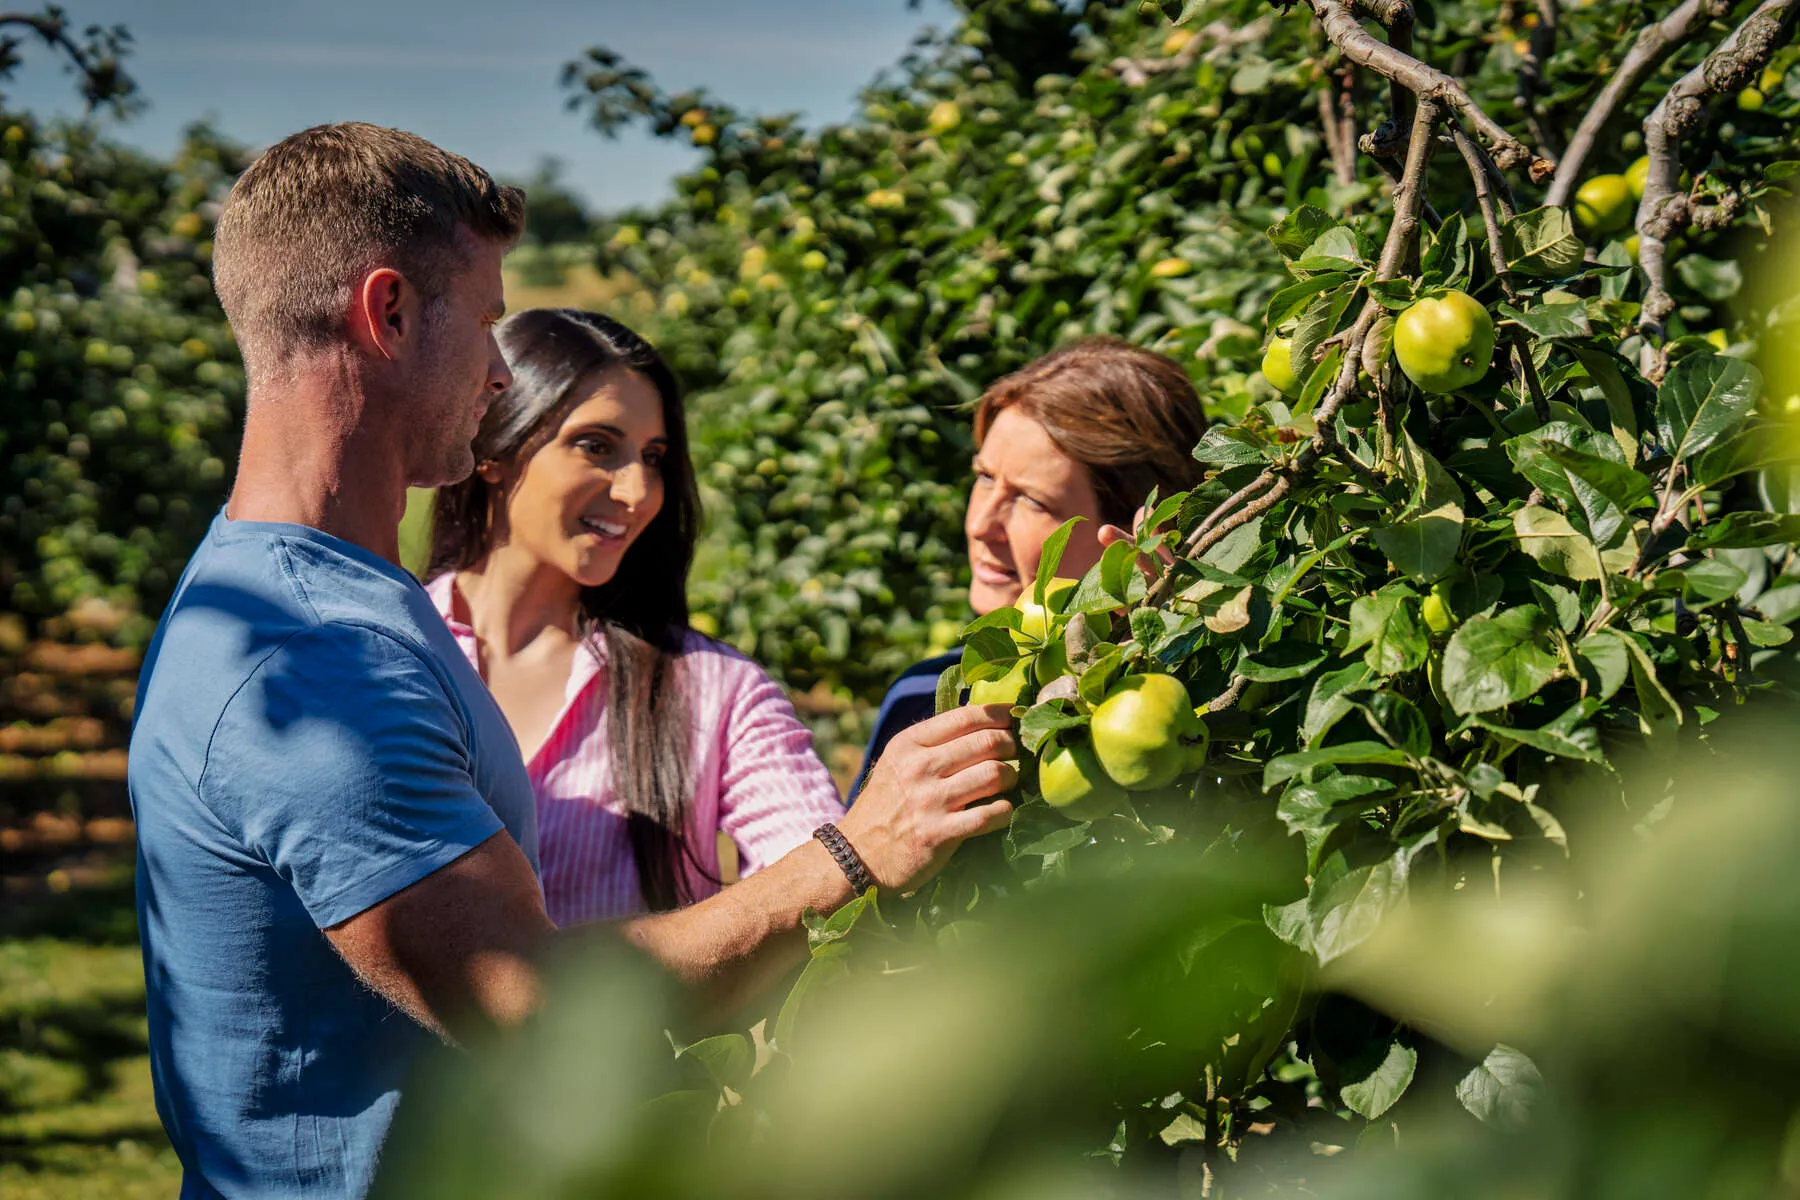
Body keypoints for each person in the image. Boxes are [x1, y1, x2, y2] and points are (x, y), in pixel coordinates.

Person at [127, 122, 1016, 1200]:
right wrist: (856, 849)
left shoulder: (280, 592)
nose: (500, 377)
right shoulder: (315, 663)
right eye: (489, 324)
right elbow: (532, 1006)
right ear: (389, 313)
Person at [423, 308, 843, 926]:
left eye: (653, 456)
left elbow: (820, 886)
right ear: (494, 448)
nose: (637, 491)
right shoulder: (380, 656)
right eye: (596, 446)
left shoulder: (716, 693)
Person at [852, 337, 1209, 798]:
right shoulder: (921, 703)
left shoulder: (1220, 725)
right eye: (984, 477)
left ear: (1134, 531)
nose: (980, 525)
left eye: (1031, 500)